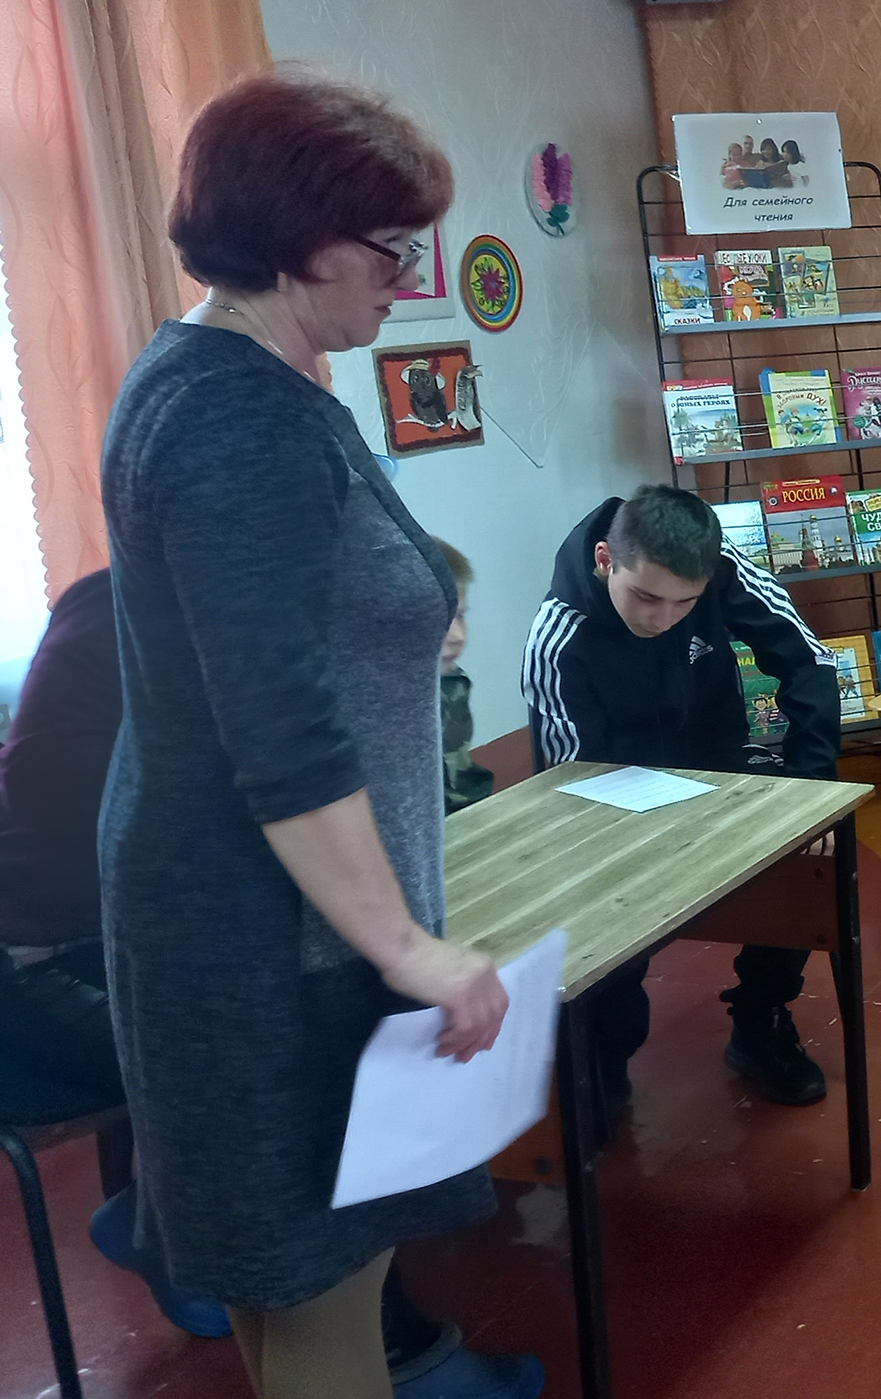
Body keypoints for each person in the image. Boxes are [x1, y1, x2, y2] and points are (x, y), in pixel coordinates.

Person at [100, 72, 512, 1399]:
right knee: (323, 1291)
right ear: (293, 243)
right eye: (390, 248)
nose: (411, 276)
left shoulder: (240, 378)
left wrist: (406, 625)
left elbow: (291, 621)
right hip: (272, 938)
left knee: (299, 1295)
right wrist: (407, 948)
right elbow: (274, 726)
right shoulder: (233, 419)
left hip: (275, 916)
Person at [0, 569, 537, 1397]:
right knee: (328, 1116)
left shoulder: (180, 604)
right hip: (44, 966)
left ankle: (161, 1213)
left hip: (126, 936)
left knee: (320, 1093)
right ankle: (389, 1348)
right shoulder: (204, 614)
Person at [523, 485, 846, 1109]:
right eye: (646, 597)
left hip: (715, 761)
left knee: (814, 852)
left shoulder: (719, 565)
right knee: (603, 908)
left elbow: (809, 660)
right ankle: (603, 1053)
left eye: (685, 603)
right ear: (605, 560)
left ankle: (760, 1015)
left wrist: (812, 790)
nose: (663, 620)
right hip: (612, 794)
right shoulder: (557, 637)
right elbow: (569, 787)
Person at [435, 539, 492, 814]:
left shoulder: (452, 684)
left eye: (459, 616)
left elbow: (462, 788)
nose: (458, 637)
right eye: (440, 619)